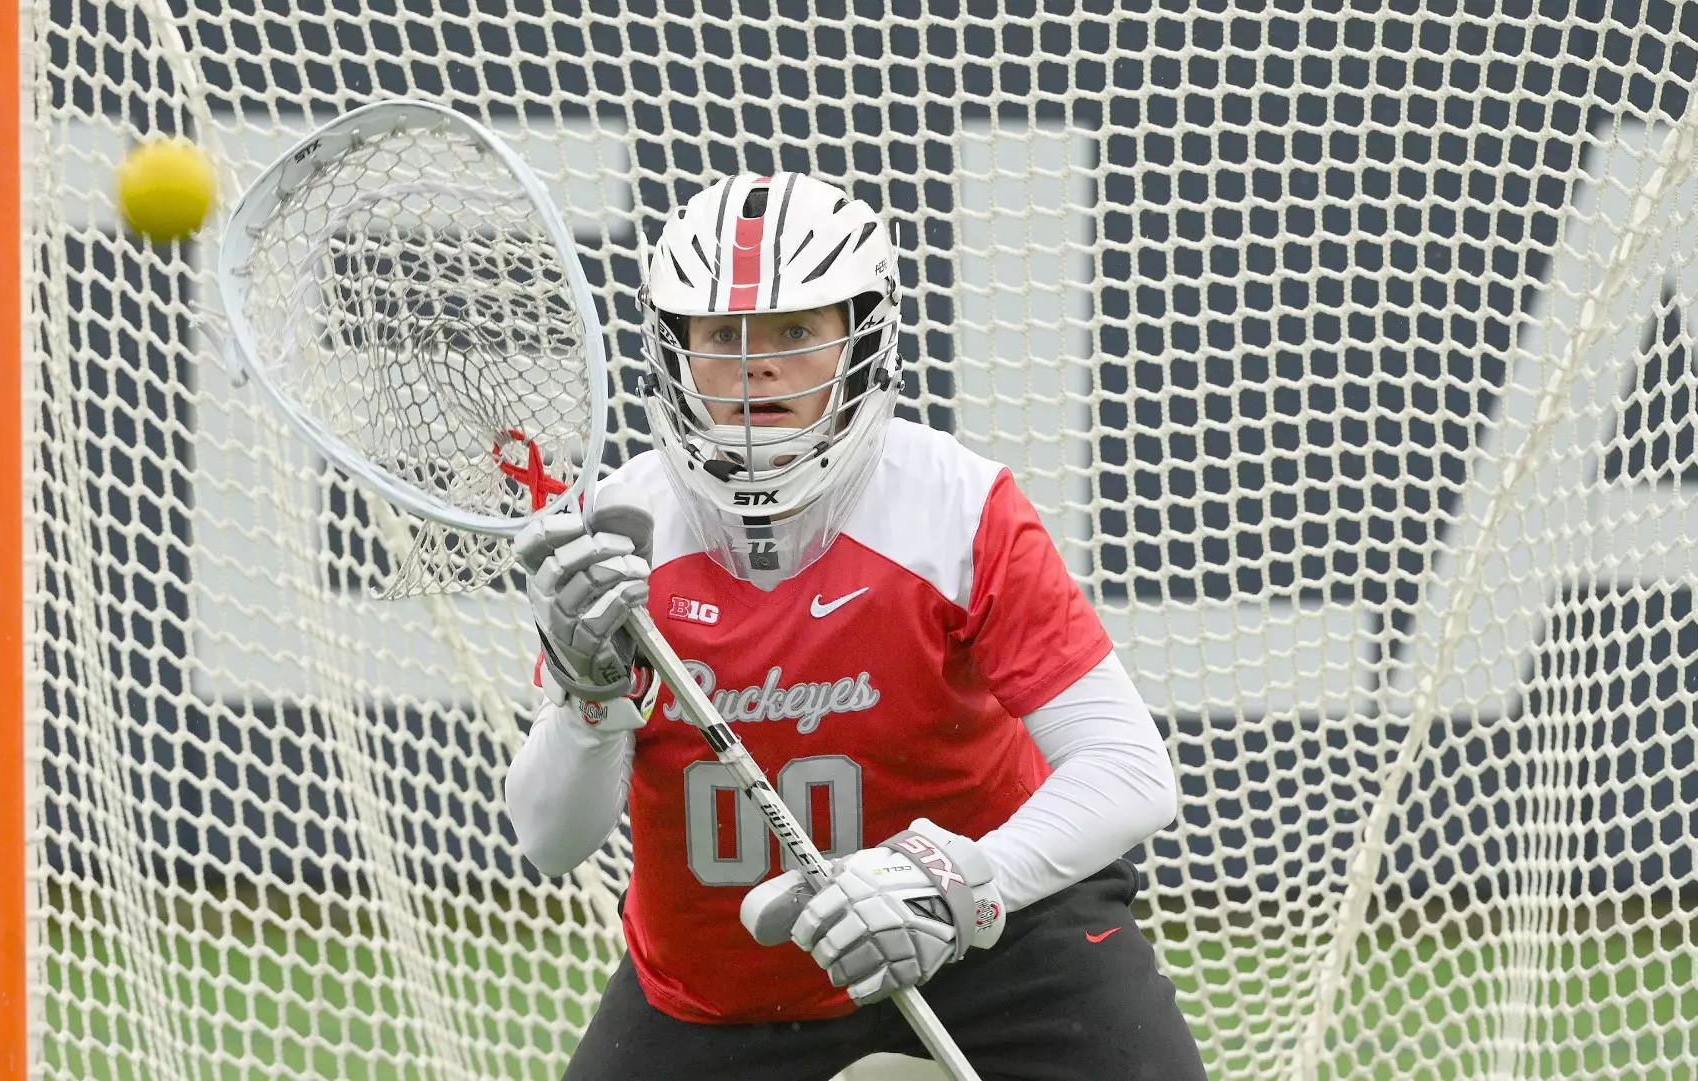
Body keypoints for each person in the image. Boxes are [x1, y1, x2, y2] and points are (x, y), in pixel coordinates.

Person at [504, 172, 1208, 1081]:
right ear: (673, 348)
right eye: (722, 335)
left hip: (993, 942)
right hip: (721, 989)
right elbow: (550, 840)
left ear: (864, 339)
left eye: (795, 331)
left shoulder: (956, 508)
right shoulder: (621, 533)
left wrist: (950, 882)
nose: (756, 365)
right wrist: (588, 698)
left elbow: (1129, 770)